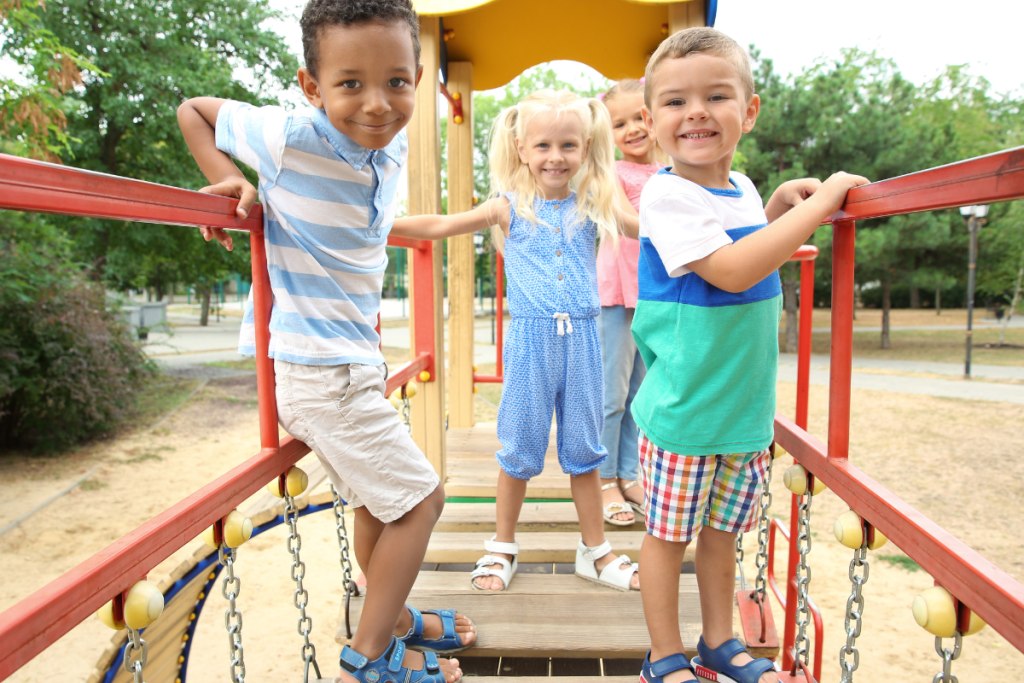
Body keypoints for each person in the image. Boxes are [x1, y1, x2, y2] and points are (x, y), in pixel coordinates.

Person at [176, 2, 478, 683]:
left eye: (397, 82)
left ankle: (391, 620)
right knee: (422, 500)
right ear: (311, 86)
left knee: (381, 499)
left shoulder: (391, 140)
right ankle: (367, 658)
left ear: (419, 78)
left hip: (352, 366)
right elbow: (194, 109)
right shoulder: (287, 137)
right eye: (350, 84)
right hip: (321, 370)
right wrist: (229, 175)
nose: (377, 104)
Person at [632, 28, 869, 683]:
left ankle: (718, 639)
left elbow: (740, 244)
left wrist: (770, 210)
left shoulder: (738, 185)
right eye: (676, 103)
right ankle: (663, 653)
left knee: (721, 533)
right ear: (652, 123)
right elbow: (732, 271)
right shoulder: (665, 192)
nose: (697, 112)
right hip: (687, 404)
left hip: (741, 407)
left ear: (750, 110)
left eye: (716, 95)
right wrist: (820, 205)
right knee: (669, 535)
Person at [392, 89, 642, 594]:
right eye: (543, 145)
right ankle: (503, 544)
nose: (556, 157)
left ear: (586, 145)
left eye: (568, 145)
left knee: (586, 450)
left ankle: (595, 552)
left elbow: (645, 229)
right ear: (521, 147)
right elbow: (440, 225)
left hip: (583, 343)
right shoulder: (508, 207)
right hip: (530, 342)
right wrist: (376, 227)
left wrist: (720, 228)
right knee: (520, 447)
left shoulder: (592, 202)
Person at [596, 79, 660, 526]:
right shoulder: (612, 173)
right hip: (618, 292)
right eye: (620, 123)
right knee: (612, 393)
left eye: (641, 116)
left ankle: (628, 471)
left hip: (654, 292)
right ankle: (603, 480)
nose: (634, 128)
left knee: (641, 392)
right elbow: (623, 218)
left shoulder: (671, 173)